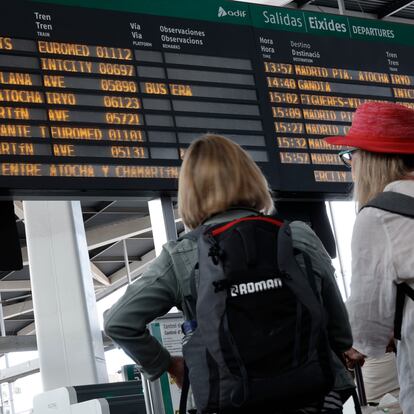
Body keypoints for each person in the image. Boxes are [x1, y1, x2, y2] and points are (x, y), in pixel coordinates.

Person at [104, 134, 354, 413]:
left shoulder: (181, 256)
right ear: (251, 177)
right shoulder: (298, 236)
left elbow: (118, 322)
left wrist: (167, 364)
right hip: (313, 398)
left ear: (189, 192)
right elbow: (341, 335)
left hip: (230, 399)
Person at [324, 102, 414, 412]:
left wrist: (356, 344)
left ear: (371, 159)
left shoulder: (380, 216)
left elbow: (367, 329)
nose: (351, 164)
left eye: (352, 155)